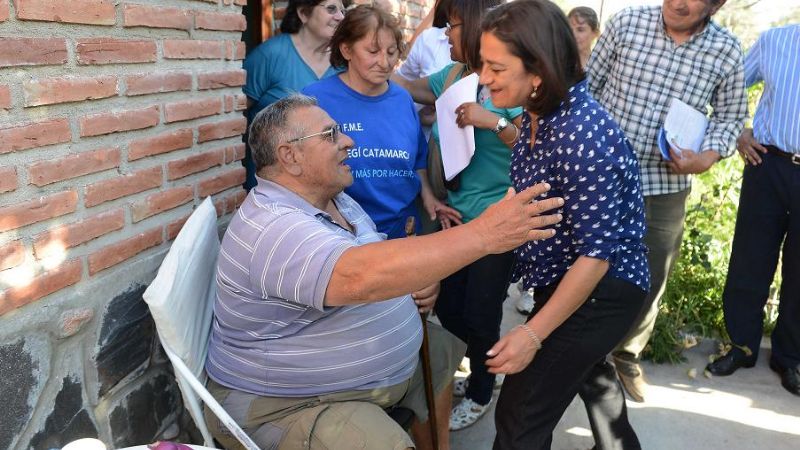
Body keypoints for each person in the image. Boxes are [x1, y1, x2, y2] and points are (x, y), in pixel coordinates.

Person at [203, 94, 564, 450]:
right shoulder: (272, 226)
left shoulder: (334, 198)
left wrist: (414, 282)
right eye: (330, 135)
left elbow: (375, 259)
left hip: (349, 379)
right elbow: (357, 275)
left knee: (437, 350)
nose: (348, 142)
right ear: (290, 157)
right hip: (285, 404)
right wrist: (485, 235)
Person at [479, 1, 650, 448]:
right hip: (571, 278)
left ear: (537, 71)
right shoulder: (540, 115)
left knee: (521, 411)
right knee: (589, 374)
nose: (483, 77)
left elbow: (596, 257)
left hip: (602, 288)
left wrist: (532, 333)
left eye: (496, 67)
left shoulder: (582, 135)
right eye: (483, 63)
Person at [586, 0, 748, 402]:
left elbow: (729, 118)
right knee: (585, 259)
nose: (678, 1)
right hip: (604, 175)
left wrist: (704, 158)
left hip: (665, 187)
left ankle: (624, 355)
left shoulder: (725, 50)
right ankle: (577, 347)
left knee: (651, 277)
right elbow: (588, 87)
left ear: (716, 5)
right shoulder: (628, 22)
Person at [394, 0, 525, 431]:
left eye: (450, 26)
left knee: (481, 312)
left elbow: (532, 144)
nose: (443, 35)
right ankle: (486, 368)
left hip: (496, 221)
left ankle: (485, 388)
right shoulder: (451, 75)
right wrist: (361, 61)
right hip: (453, 217)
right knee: (450, 309)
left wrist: (490, 121)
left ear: (471, 26)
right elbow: (412, 88)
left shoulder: (507, 81)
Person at [302, 5, 456, 239]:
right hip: (342, 234)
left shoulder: (402, 98)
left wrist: (428, 197)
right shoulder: (316, 99)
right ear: (346, 50)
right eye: (373, 51)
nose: (385, 63)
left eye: (392, 52)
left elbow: (417, 161)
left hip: (403, 230)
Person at [705, 25, 800, 397]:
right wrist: (739, 132)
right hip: (768, 164)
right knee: (750, 259)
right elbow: (727, 88)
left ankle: (789, 357)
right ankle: (741, 346)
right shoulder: (775, 41)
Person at [241, 0, 349, 190]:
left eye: (342, 10)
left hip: (325, 187)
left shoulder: (344, 62)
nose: (340, 16)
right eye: (331, 9)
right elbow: (236, 115)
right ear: (303, 13)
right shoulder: (270, 55)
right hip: (276, 187)